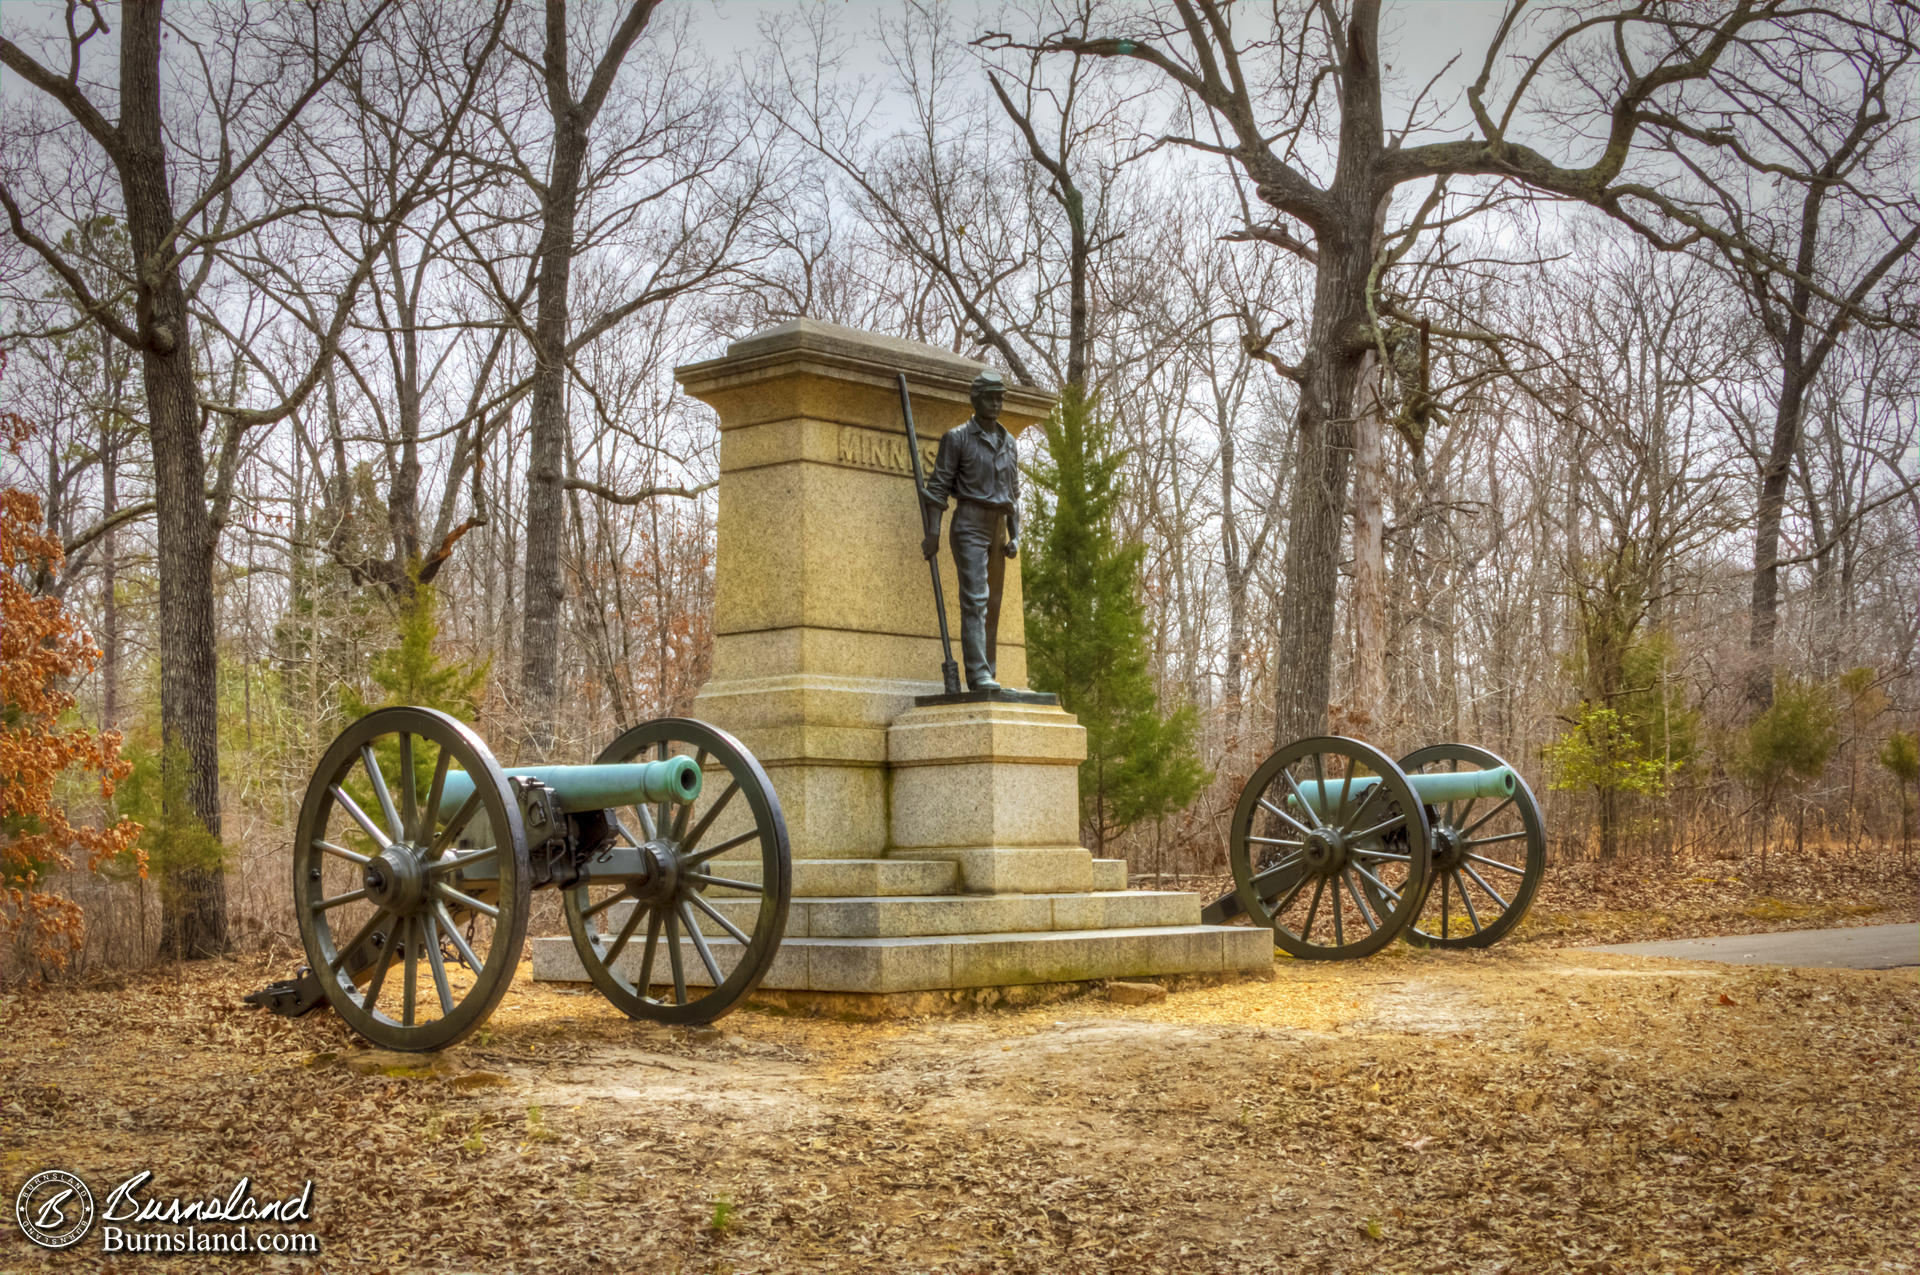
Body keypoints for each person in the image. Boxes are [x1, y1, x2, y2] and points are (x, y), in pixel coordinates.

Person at [921, 370, 1019, 692]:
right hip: (970, 526)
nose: (996, 403)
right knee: (975, 600)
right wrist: (934, 534)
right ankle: (977, 674)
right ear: (975, 400)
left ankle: (988, 672)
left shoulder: (1009, 443)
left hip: (998, 528)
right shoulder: (957, 438)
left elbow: (1013, 494)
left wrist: (1014, 534)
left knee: (992, 603)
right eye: (990, 397)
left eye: (1000, 397)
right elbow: (937, 490)